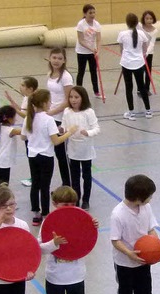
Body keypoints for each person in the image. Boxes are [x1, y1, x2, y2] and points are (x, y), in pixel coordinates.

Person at [35, 186, 97, 294]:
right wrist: (53, 244)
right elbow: (38, 249)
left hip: (76, 275)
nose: (70, 209)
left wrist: (92, 226)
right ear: (55, 204)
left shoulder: (80, 220)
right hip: (55, 276)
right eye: (65, 205)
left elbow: (87, 243)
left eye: (73, 205)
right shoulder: (48, 223)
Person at [110, 174, 160, 294]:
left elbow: (150, 229)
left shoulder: (146, 208)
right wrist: (129, 253)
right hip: (125, 263)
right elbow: (115, 240)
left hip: (143, 262)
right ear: (138, 198)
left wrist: (155, 244)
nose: (151, 198)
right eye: (149, 196)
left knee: (144, 293)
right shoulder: (118, 214)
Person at [21, 89, 78, 226]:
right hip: (46, 156)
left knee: (35, 184)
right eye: (49, 101)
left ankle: (36, 213)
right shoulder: (49, 119)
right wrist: (69, 132)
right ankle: (45, 213)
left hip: (33, 155)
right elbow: (56, 141)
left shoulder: (29, 117)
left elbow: (23, 136)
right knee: (45, 186)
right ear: (45, 103)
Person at [62, 86, 100, 210]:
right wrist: (62, 130)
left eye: (76, 97)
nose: (73, 100)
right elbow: (64, 127)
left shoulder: (88, 112)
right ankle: (76, 200)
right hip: (73, 150)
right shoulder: (67, 111)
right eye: (71, 97)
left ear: (83, 98)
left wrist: (88, 133)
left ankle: (86, 200)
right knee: (75, 177)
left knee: (87, 176)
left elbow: (96, 128)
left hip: (86, 150)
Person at [46, 47, 74, 187]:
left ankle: (68, 184)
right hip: (51, 116)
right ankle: (65, 183)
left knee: (62, 153)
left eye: (59, 58)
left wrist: (52, 112)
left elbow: (68, 100)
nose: (56, 61)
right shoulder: (50, 74)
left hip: (61, 118)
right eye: (54, 58)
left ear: (64, 61)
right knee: (56, 152)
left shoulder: (66, 77)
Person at [118, 13, 153, 120]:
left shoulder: (122, 34)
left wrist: (126, 57)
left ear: (127, 23)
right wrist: (140, 55)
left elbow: (121, 50)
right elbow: (145, 49)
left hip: (126, 63)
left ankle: (131, 112)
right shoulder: (142, 34)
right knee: (142, 87)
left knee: (129, 88)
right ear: (137, 22)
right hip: (139, 63)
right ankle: (148, 111)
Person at [5, 76, 38, 187]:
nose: (20, 87)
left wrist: (15, 110)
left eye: (23, 85)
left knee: (32, 155)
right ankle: (34, 176)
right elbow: (22, 109)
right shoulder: (26, 97)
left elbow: (26, 114)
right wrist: (12, 101)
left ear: (30, 89)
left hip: (31, 130)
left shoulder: (31, 99)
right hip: (27, 128)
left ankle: (35, 177)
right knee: (29, 154)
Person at [75, 4, 102, 98]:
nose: (92, 15)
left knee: (93, 72)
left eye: (94, 12)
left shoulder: (97, 24)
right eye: (90, 13)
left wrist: (98, 50)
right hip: (82, 52)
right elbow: (81, 41)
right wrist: (91, 48)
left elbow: (98, 39)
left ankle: (96, 91)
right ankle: (78, 92)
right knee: (81, 71)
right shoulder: (81, 24)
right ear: (85, 13)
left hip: (92, 52)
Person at [0, 105, 22, 184]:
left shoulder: (1, 127)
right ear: (8, 118)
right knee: (3, 185)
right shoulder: (10, 130)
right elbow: (24, 132)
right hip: (3, 162)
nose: (16, 119)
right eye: (14, 117)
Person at [139, 10, 158, 96]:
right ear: (144, 19)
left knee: (148, 71)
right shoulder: (139, 27)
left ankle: (147, 88)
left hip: (149, 53)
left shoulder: (155, 30)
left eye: (151, 18)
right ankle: (140, 89)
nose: (149, 20)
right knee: (140, 71)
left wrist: (146, 53)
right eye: (147, 18)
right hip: (139, 52)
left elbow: (152, 43)